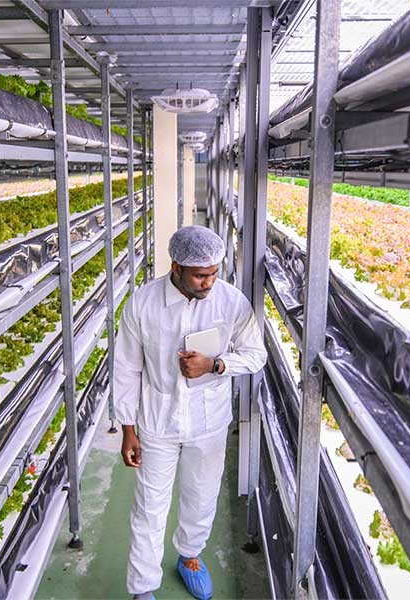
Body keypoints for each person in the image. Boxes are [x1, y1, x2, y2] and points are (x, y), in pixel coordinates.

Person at [113, 225, 267, 600]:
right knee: (150, 506)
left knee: (202, 494)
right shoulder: (143, 304)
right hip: (156, 420)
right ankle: (142, 588)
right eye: (201, 275)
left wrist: (215, 365)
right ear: (176, 267)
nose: (209, 282)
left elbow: (255, 354)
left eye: (214, 273)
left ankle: (190, 556)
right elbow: (126, 367)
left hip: (208, 420)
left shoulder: (231, 302)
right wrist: (128, 428)